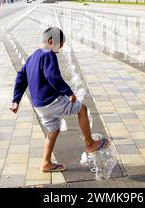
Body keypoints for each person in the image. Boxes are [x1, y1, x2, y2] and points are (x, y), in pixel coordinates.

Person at [10, 27, 110, 173]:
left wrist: (15, 100)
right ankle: (90, 144)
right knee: (82, 109)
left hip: (38, 104)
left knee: (53, 129)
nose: (58, 51)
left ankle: (46, 163)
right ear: (51, 42)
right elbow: (53, 76)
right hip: (51, 101)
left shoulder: (32, 57)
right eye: (58, 47)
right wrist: (68, 92)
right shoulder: (48, 54)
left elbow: (21, 77)